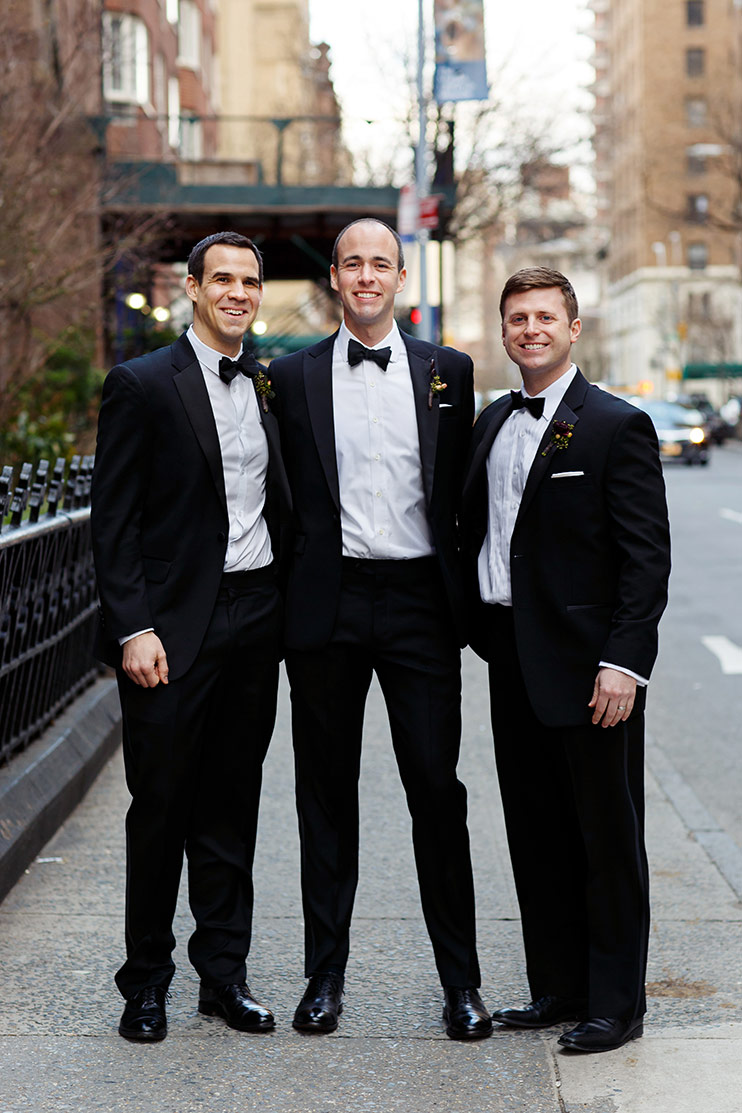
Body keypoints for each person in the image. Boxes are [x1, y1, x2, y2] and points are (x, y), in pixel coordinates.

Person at [269, 218, 491, 1040]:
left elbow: (467, 490)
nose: (366, 276)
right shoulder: (288, 377)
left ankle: (461, 983)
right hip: (325, 605)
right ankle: (324, 977)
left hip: (419, 603)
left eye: (380, 264)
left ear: (401, 277)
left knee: (436, 788)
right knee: (325, 794)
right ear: (334, 276)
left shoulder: (448, 372)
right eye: (352, 263)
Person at [460, 267, 671, 1053]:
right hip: (512, 657)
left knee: (606, 838)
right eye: (518, 318)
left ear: (573, 328)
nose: (531, 329)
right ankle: (557, 985)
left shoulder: (618, 425)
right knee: (536, 829)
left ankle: (616, 1003)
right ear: (504, 330)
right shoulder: (489, 421)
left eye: (545, 317)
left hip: (592, 672)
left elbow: (645, 559)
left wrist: (625, 662)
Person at [91, 231, 290, 1042]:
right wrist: (133, 626)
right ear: (194, 287)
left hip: (256, 617)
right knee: (161, 808)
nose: (238, 292)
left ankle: (223, 975)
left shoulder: (269, 384)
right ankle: (145, 982)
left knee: (232, 805)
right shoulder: (141, 384)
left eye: (250, 281)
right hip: (170, 630)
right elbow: (113, 520)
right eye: (224, 279)